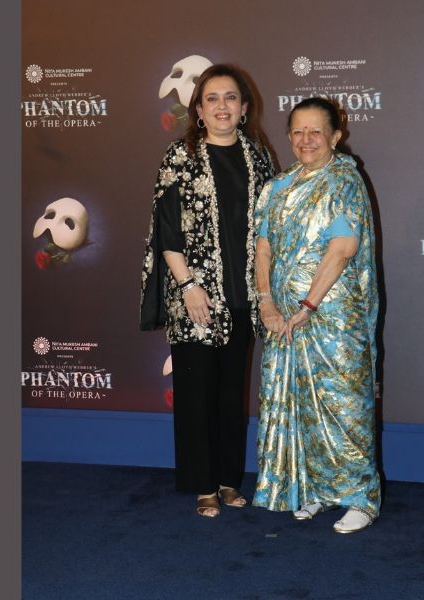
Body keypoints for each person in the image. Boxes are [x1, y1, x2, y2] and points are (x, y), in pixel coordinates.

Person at [140, 64, 275, 517]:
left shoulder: (259, 158)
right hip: (195, 296)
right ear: (198, 109)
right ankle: (203, 485)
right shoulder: (179, 156)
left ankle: (228, 479)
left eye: (230, 97)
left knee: (231, 393)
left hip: (243, 296)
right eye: (212, 98)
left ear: (244, 107)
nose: (222, 106)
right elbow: (166, 229)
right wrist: (188, 286)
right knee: (197, 393)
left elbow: (269, 230)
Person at [251, 97, 381, 533]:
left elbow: (342, 248)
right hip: (282, 317)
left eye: (316, 132)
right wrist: (266, 302)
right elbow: (263, 248)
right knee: (300, 401)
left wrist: (308, 306)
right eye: (298, 131)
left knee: (342, 400)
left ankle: (359, 497)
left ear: (335, 136)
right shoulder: (277, 187)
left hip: (332, 313)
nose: (306, 140)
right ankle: (316, 490)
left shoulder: (344, 180)